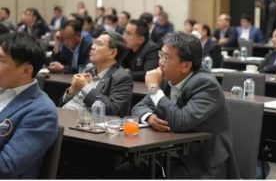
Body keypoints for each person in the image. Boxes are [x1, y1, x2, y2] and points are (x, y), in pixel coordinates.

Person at [131, 33, 240, 178]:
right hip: (165, 156)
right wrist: (149, 117)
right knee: (120, 172)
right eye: (161, 55)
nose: (161, 62)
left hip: (200, 164)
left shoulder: (206, 85)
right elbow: (138, 108)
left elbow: (180, 121)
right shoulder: (168, 77)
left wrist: (153, 88)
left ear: (186, 66)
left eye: (166, 58)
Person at [0, 31, 60, 179]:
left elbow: (5, 167)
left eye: (1, 60)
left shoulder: (42, 112)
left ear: (25, 71)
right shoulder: (3, 87)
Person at [60, 32, 133, 117]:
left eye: (98, 44)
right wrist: (71, 91)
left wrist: (85, 87)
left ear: (113, 53)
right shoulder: (88, 70)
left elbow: (115, 111)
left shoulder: (121, 78)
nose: (92, 47)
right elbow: (62, 104)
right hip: (65, 116)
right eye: (93, 43)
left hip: (85, 122)